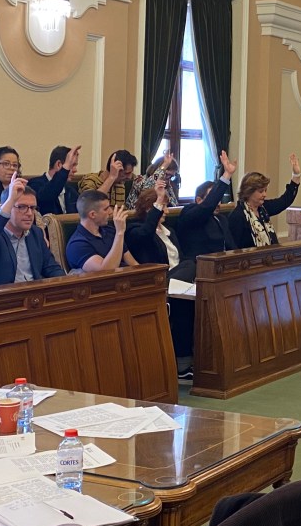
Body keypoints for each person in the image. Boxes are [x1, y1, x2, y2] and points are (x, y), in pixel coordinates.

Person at [125, 180, 194, 380]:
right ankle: (182, 365)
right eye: (163, 206)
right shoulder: (135, 229)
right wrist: (157, 202)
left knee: (191, 267)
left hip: (179, 281)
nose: (167, 211)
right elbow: (145, 234)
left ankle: (190, 362)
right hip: (157, 282)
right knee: (190, 267)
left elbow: (180, 258)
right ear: (150, 208)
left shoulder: (169, 231)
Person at [0, 173, 66, 287]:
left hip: (34, 294)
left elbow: (51, 268)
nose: (29, 213)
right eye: (22, 207)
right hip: (0, 296)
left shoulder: (35, 233)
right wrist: (10, 200)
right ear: (6, 206)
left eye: (32, 208)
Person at [175, 150, 238, 279]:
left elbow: (232, 247)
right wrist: (226, 175)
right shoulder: (189, 213)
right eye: (214, 199)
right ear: (198, 200)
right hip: (200, 270)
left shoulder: (221, 219)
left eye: (219, 200)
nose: (218, 203)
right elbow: (207, 206)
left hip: (225, 269)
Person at [229, 154, 301, 249]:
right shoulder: (237, 216)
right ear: (248, 192)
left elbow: (285, 200)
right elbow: (234, 249)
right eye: (260, 191)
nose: (264, 194)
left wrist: (296, 175)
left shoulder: (263, 208)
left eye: (265, 190)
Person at [65, 190, 134, 272]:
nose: (111, 212)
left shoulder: (109, 230)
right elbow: (106, 271)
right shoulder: (77, 245)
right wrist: (119, 233)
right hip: (109, 279)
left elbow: (132, 264)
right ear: (92, 214)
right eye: (106, 209)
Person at [27, 144, 81, 215]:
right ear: (59, 165)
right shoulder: (34, 185)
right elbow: (47, 197)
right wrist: (65, 168)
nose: (75, 170)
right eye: (72, 165)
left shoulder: (71, 191)